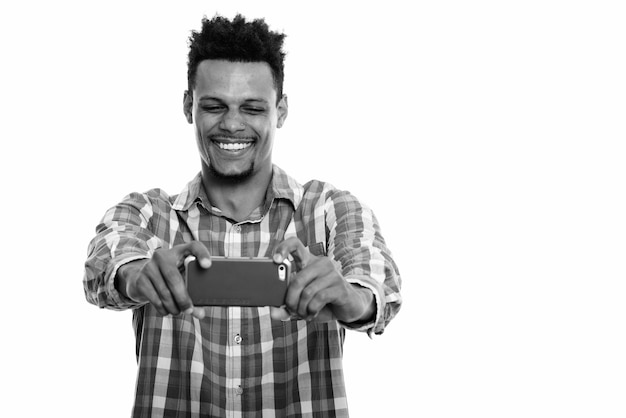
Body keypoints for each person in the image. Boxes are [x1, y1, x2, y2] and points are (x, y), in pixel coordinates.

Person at [84, 14, 402, 417]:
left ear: (281, 111)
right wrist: (136, 275)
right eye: (214, 106)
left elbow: (379, 286)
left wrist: (351, 299)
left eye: (253, 108)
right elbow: (104, 261)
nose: (232, 124)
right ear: (188, 106)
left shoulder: (329, 209)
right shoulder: (148, 213)